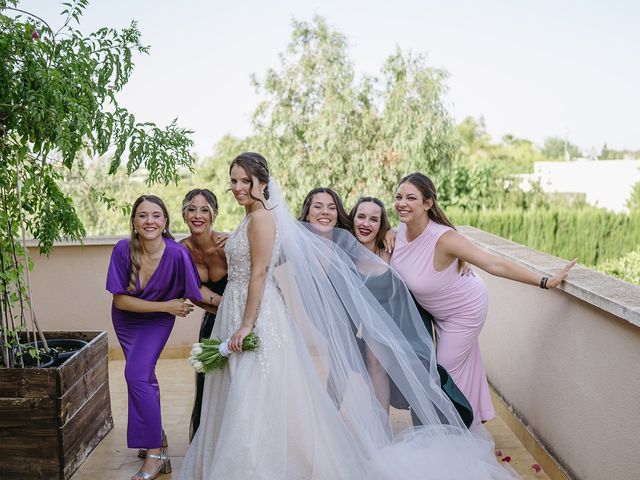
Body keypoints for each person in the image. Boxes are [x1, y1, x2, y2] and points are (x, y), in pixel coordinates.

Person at [179, 153, 518, 480]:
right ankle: (336, 435)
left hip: (387, 318)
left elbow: (262, 269)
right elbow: (263, 262)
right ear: (306, 213)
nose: (238, 187)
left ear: (261, 182)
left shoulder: (352, 240)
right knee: (325, 378)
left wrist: (387, 234)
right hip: (327, 320)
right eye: (233, 181)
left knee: (392, 367)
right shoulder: (293, 235)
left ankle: (416, 436)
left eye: (245, 181)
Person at [390, 172, 576, 423]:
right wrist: (385, 234)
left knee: (442, 373)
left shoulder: (444, 239)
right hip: (436, 310)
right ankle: (475, 418)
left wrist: (545, 281)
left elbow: (494, 264)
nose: (402, 203)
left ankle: (450, 432)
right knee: (461, 368)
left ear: (428, 203)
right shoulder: (397, 232)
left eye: (411, 198)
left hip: (464, 309)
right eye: (399, 197)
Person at [349, 196, 473, 427]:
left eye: (374, 219)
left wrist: (460, 258)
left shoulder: (391, 248)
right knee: (374, 364)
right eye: (361, 216)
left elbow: (426, 246)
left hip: (407, 324)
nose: (366, 223)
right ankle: (381, 428)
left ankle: (436, 423)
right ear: (353, 218)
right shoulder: (345, 255)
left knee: (421, 375)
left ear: (381, 224)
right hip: (374, 325)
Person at [106, 195, 203, 480]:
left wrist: (233, 306)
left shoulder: (176, 253)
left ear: (165, 222)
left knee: (136, 374)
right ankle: (155, 433)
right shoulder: (123, 250)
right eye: (143, 216)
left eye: (156, 215)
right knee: (143, 377)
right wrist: (167, 305)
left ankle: (155, 454)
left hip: (156, 323)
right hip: (127, 319)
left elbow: (196, 292)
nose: (150, 221)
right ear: (134, 222)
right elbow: (121, 301)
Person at [179, 188, 228, 441]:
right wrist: (219, 303)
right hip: (211, 322)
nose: (198, 215)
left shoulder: (227, 245)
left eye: (205, 209)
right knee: (207, 381)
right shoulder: (180, 251)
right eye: (192, 209)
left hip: (237, 321)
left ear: (214, 214)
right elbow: (190, 291)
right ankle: (206, 441)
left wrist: (225, 305)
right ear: (185, 214)